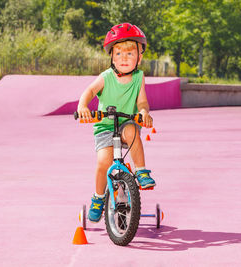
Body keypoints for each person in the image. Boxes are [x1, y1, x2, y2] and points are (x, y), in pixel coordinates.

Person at [77, 23, 156, 223]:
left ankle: (141, 171)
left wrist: (144, 111)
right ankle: (98, 197)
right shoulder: (106, 77)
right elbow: (89, 92)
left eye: (130, 54)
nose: (124, 58)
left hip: (127, 122)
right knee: (104, 161)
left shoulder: (139, 77)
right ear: (111, 56)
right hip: (105, 126)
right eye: (119, 53)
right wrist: (83, 107)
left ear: (140, 57)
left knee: (132, 132)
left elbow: (142, 101)